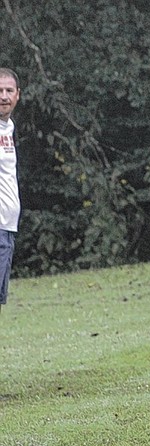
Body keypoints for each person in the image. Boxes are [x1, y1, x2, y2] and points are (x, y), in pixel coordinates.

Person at [0, 68, 21, 313]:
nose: (4, 96)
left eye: (9, 91)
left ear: (17, 95)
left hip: (7, 226)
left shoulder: (9, 127)